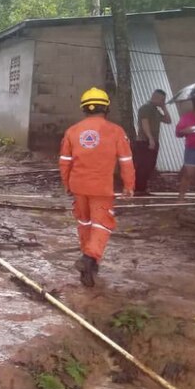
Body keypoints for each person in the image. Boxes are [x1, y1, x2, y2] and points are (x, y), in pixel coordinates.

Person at [59, 87, 135, 287]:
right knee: (102, 224)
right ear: (106, 108)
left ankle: (90, 264)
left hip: (78, 185)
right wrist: (129, 185)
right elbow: (126, 160)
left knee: (84, 223)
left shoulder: (72, 131)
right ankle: (89, 258)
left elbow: (65, 161)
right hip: (101, 188)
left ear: (84, 109)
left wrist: (67, 184)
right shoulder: (116, 131)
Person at [131, 89, 170, 195]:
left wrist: (164, 108)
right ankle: (139, 188)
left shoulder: (155, 110)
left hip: (154, 141)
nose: (163, 101)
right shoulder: (145, 108)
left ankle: (143, 187)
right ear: (155, 97)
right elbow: (145, 123)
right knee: (143, 165)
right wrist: (150, 138)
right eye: (162, 99)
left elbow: (168, 120)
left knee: (150, 165)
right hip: (144, 141)